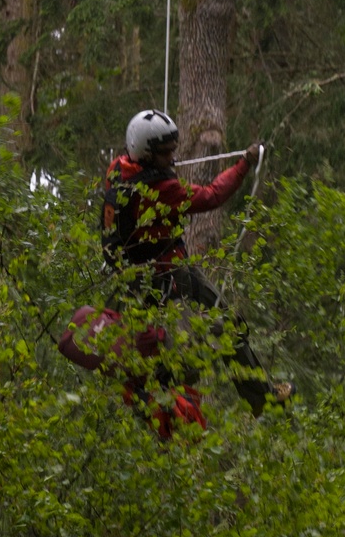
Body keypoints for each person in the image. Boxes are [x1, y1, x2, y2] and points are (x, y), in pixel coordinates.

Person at [101, 109, 290, 415]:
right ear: (146, 155)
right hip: (167, 276)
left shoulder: (117, 170)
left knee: (224, 327)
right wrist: (244, 164)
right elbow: (212, 196)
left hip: (144, 276)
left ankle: (256, 395)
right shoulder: (160, 190)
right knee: (216, 336)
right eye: (166, 153)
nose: (173, 159)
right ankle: (256, 399)